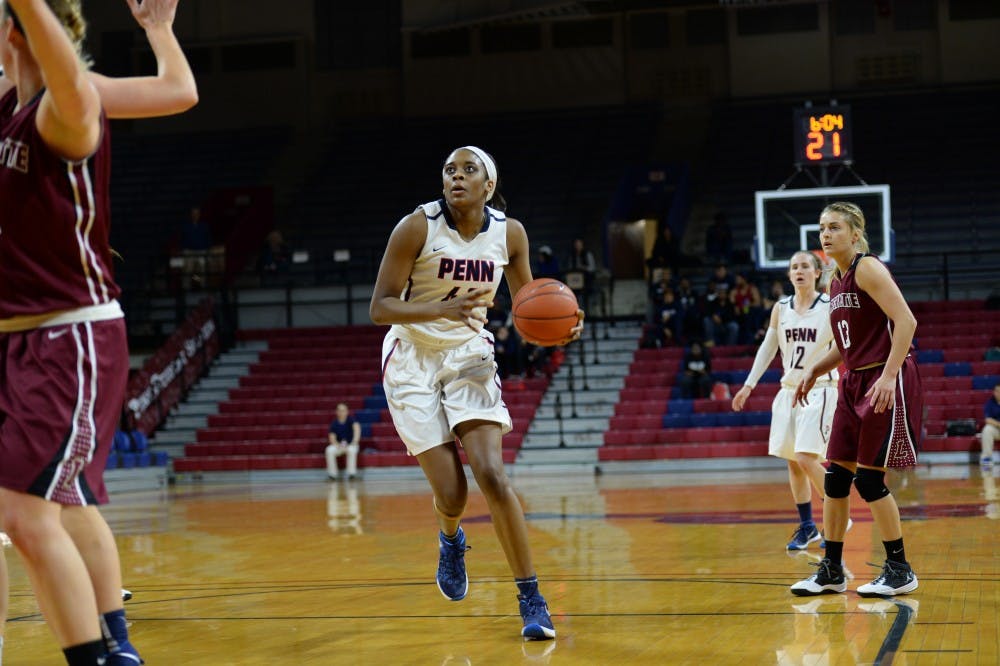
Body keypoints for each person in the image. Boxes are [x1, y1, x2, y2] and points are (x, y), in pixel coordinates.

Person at [0, 1, 196, 664]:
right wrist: (160, 32)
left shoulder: (69, 106)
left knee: (26, 512)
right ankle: (115, 644)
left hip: (68, 335)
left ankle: (101, 653)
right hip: (22, 336)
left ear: (12, 31)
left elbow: (69, 69)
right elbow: (177, 89)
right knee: (65, 500)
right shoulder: (10, 100)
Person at [370, 145, 583, 640]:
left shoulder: (509, 233)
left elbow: (529, 308)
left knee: (490, 472)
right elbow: (380, 307)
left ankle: (531, 597)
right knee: (452, 492)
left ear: (489, 185)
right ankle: (451, 537)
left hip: (469, 354)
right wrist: (438, 311)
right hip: (412, 358)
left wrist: (560, 328)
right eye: (449, 170)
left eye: (469, 170)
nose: (456, 177)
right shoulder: (416, 228)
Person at [790, 202, 922, 598]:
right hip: (853, 379)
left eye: (834, 228)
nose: (825, 236)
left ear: (855, 233)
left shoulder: (867, 268)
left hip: (884, 377)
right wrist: (814, 369)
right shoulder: (836, 280)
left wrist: (889, 375)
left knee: (868, 478)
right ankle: (831, 569)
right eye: (821, 229)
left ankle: (900, 569)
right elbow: (847, 346)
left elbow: (907, 322)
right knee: (835, 478)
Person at [732, 251, 837, 550]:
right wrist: (748, 385)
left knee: (807, 458)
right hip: (789, 390)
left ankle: (836, 516)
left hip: (820, 389)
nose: (799, 270)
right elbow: (768, 348)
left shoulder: (830, 306)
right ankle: (807, 527)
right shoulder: (781, 308)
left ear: (817, 272)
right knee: (793, 462)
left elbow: (844, 348)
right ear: (789, 275)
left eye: (805, 265)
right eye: (794, 267)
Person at [326, 402, 360, 481]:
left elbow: (357, 430)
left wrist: (354, 442)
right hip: (339, 446)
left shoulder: (352, 420)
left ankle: (351, 474)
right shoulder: (334, 424)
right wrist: (338, 445)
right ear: (337, 412)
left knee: (352, 450)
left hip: (351, 444)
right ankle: (332, 474)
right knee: (329, 450)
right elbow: (332, 438)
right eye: (339, 410)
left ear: (347, 411)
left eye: (343, 410)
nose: (341, 412)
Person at [981, 383, 1000, 467]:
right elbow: (987, 419)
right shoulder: (990, 403)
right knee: (987, 430)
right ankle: (987, 460)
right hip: (997, 429)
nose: (999, 393)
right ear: (994, 392)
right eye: (997, 391)